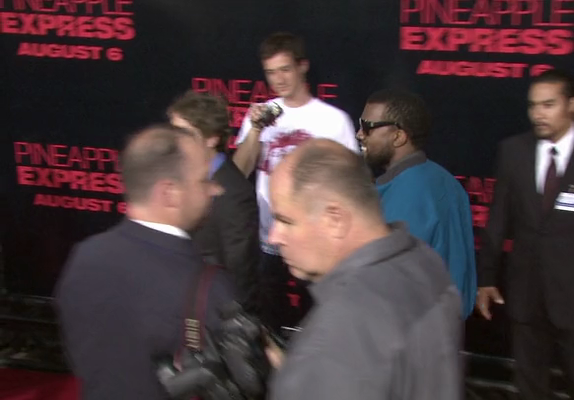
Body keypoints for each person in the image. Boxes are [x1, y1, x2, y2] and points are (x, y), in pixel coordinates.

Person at [263, 138, 462, 400]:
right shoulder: (424, 261)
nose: (273, 237)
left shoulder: (339, 333)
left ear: (335, 220)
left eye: (285, 220)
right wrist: (297, 371)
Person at [477, 69, 574, 400]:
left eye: (548, 105)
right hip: (525, 295)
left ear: (573, 104)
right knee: (529, 387)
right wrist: (486, 278)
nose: (538, 114)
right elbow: (498, 219)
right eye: (533, 106)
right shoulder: (513, 151)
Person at [55, 125, 235, 400]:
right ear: (170, 193)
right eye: (204, 181)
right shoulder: (210, 287)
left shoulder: (83, 257)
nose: (216, 190)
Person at [231, 31, 359, 330]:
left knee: (321, 324)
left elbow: (351, 183)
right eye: (270, 72)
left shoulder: (333, 120)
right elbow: (239, 172)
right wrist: (255, 130)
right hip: (270, 240)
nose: (278, 79)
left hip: (317, 241)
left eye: (285, 69)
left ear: (303, 66)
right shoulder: (260, 116)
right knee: (268, 324)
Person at [356, 88, 477, 318]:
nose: (360, 134)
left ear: (399, 136)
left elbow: (387, 286)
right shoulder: (446, 181)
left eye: (367, 126)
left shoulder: (408, 195)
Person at [168, 90, 260, 313]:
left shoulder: (234, 193)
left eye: (184, 133)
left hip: (210, 315)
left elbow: (240, 274)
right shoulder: (178, 177)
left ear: (212, 138)